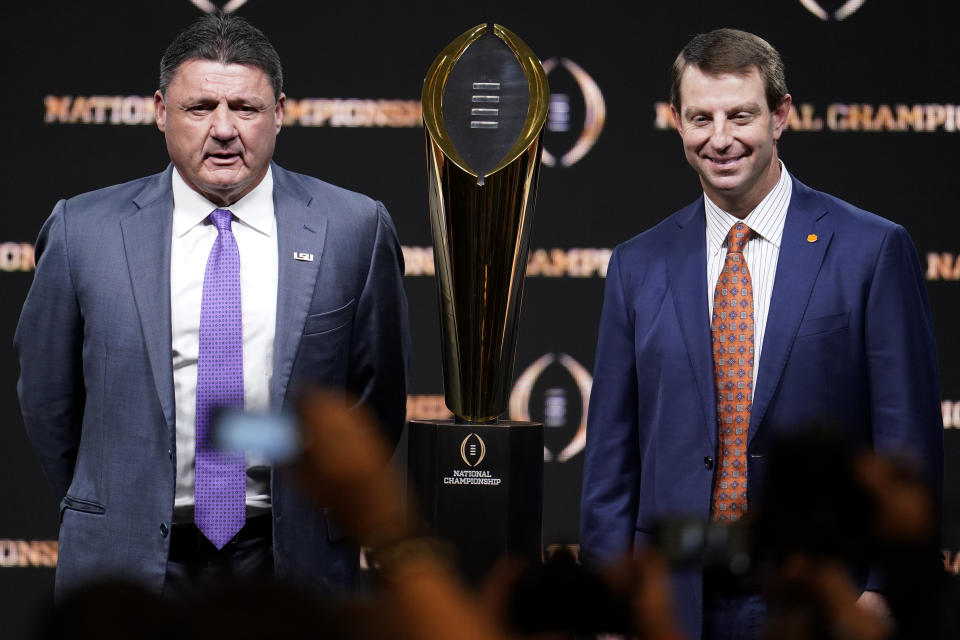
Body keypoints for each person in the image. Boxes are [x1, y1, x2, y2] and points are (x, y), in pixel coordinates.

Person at [14, 13, 409, 599]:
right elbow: (49, 400)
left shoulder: (353, 227)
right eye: (200, 107)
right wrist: (114, 496)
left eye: (245, 109)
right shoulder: (83, 230)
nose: (224, 129)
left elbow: (375, 404)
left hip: (288, 560)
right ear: (159, 111)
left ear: (278, 112)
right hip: (124, 562)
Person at [579, 28, 943, 640]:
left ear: (780, 116)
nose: (720, 139)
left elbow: (907, 445)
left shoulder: (872, 250)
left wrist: (885, 587)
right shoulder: (636, 265)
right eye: (701, 117)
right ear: (677, 122)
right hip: (673, 603)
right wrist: (612, 603)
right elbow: (611, 461)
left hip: (820, 598)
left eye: (741, 115)